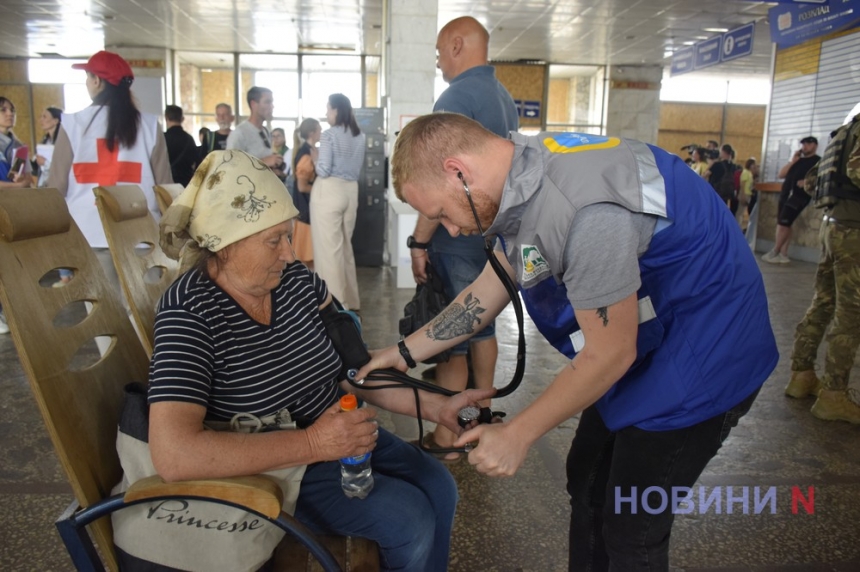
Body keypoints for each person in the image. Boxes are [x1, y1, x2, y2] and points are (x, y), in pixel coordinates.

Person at [357, 113, 778, 571]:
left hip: (707, 357)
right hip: (651, 344)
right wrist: (402, 354)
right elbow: (486, 290)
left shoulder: (584, 211)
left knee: (632, 524)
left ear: (459, 171)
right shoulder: (521, 173)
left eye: (441, 214)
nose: (451, 231)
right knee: (588, 480)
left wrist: (517, 434)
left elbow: (610, 353)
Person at [152, 149, 489, 571]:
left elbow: (356, 371)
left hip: (336, 440)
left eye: (289, 236)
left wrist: (441, 407)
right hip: (270, 466)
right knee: (407, 518)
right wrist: (314, 444)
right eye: (274, 241)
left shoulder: (297, 283)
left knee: (439, 485)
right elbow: (174, 455)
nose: (289, 254)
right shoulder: (189, 310)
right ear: (225, 243)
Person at [408, 15, 518, 461]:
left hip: (456, 242)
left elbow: (439, 184)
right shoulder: (502, 96)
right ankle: (481, 415)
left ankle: (448, 436)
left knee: (454, 327)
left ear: (457, 45)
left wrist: (419, 240)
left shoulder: (456, 95)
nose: (438, 64)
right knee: (484, 323)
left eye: (438, 54)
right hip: (490, 238)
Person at [47, 50, 173, 292]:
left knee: (103, 314)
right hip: (142, 232)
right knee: (148, 310)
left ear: (96, 81)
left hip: (88, 232)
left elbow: (56, 187)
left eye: (87, 76)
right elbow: (164, 186)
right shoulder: (148, 125)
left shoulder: (73, 124)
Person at [785, 113, 860, 423]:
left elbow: (813, 181)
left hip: (833, 226)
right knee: (851, 314)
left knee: (824, 302)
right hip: (855, 231)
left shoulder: (845, 131)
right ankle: (833, 394)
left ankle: (802, 375)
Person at [311, 93, 365, 312]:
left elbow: (323, 169)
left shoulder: (329, 135)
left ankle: (334, 306)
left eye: (328, 108)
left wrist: (315, 159)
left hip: (329, 190)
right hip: (351, 191)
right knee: (344, 248)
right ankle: (351, 301)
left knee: (328, 252)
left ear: (336, 110)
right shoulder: (359, 135)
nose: (326, 113)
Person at [0, 95, 32, 335]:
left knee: (11, 263)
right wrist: (18, 187)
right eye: (3, 110)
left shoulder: (18, 146)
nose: (9, 114)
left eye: (11, 110)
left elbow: (26, 177)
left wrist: (23, 183)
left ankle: (9, 311)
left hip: (12, 209)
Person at [762, 136, 820, 264]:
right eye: (803, 144)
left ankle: (775, 250)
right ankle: (783, 253)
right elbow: (781, 174)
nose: (805, 146)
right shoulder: (798, 161)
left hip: (799, 196)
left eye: (808, 144)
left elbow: (821, 178)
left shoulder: (817, 162)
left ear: (815, 145)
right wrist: (793, 161)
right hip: (786, 194)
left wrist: (807, 182)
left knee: (784, 223)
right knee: (784, 223)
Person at [226, 87, 286, 175]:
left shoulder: (265, 132)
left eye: (272, 102)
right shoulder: (239, 133)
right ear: (253, 104)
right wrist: (263, 162)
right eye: (267, 102)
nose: (272, 106)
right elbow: (230, 166)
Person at [291, 118, 321, 269]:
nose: (321, 132)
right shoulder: (305, 155)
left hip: (310, 211)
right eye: (319, 129)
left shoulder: (312, 151)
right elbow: (302, 187)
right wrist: (322, 190)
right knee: (306, 258)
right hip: (306, 213)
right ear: (312, 133)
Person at [163, 104, 198, 187]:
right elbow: (197, 161)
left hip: (167, 182)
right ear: (182, 119)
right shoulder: (189, 139)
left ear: (166, 118)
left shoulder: (162, 138)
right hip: (186, 183)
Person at [33, 106, 63, 188]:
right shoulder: (44, 142)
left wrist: (45, 163)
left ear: (55, 121)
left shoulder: (63, 143)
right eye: (41, 116)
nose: (41, 120)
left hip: (57, 185)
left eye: (45, 117)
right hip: (43, 184)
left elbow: (63, 167)